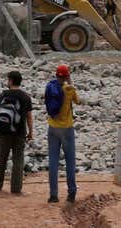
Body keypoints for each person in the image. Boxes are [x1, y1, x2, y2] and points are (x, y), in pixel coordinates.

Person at [0, 70, 33, 196]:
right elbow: (29, 117)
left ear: (10, 80)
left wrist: (2, 125)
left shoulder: (3, 94)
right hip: (19, 132)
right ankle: (16, 189)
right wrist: (30, 132)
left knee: (1, 158)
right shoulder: (25, 97)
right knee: (18, 160)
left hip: (4, 132)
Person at [44, 63, 79, 204]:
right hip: (67, 129)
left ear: (56, 75)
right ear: (66, 76)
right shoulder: (69, 89)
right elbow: (78, 101)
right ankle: (71, 193)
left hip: (52, 127)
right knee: (70, 161)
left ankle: (53, 195)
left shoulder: (50, 87)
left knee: (53, 161)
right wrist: (70, 82)